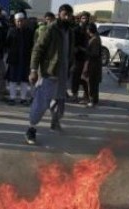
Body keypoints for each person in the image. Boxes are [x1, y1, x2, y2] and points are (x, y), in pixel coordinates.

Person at [25, 4, 75, 145]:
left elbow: (70, 51)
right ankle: (31, 130)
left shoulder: (70, 31)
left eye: (69, 15)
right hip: (50, 73)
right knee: (41, 104)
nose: (67, 17)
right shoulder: (51, 29)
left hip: (63, 75)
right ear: (59, 14)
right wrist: (34, 70)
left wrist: (72, 64)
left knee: (59, 104)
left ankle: (55, 124)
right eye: (65, 14)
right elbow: (37, 49)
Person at [5, 12, 35, 106]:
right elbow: (7, 44)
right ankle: (12, 98)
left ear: (25, 21)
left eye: (21, 21)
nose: (20, 23)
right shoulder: (11, 31)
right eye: (18, 21)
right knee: (12, 80)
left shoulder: (29, 32)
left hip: (25, 59)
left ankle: (23, 98)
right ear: (15, 21)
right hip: (14, 59)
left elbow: (32, 45)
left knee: (24, 80)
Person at [71, 11, 90, 103]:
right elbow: (73, 44)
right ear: (80, 19)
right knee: (75, 77)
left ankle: (86, 96)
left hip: (86, 58)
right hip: (77, 57)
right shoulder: (76, 30)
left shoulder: (90, 29)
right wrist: (80, 48)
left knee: (85, 78)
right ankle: (75, 95)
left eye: (86, 18)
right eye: (83, 18)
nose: (85, 20)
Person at [82, 23, 102, 108]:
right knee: (93, 82)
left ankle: (92, 100)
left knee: (91, 82)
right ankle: (93, 99)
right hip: (94, 63)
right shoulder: (96, 38)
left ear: (89, 30)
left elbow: (94, 53)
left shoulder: (94, 40)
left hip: (92, 64)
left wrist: (85, 51)